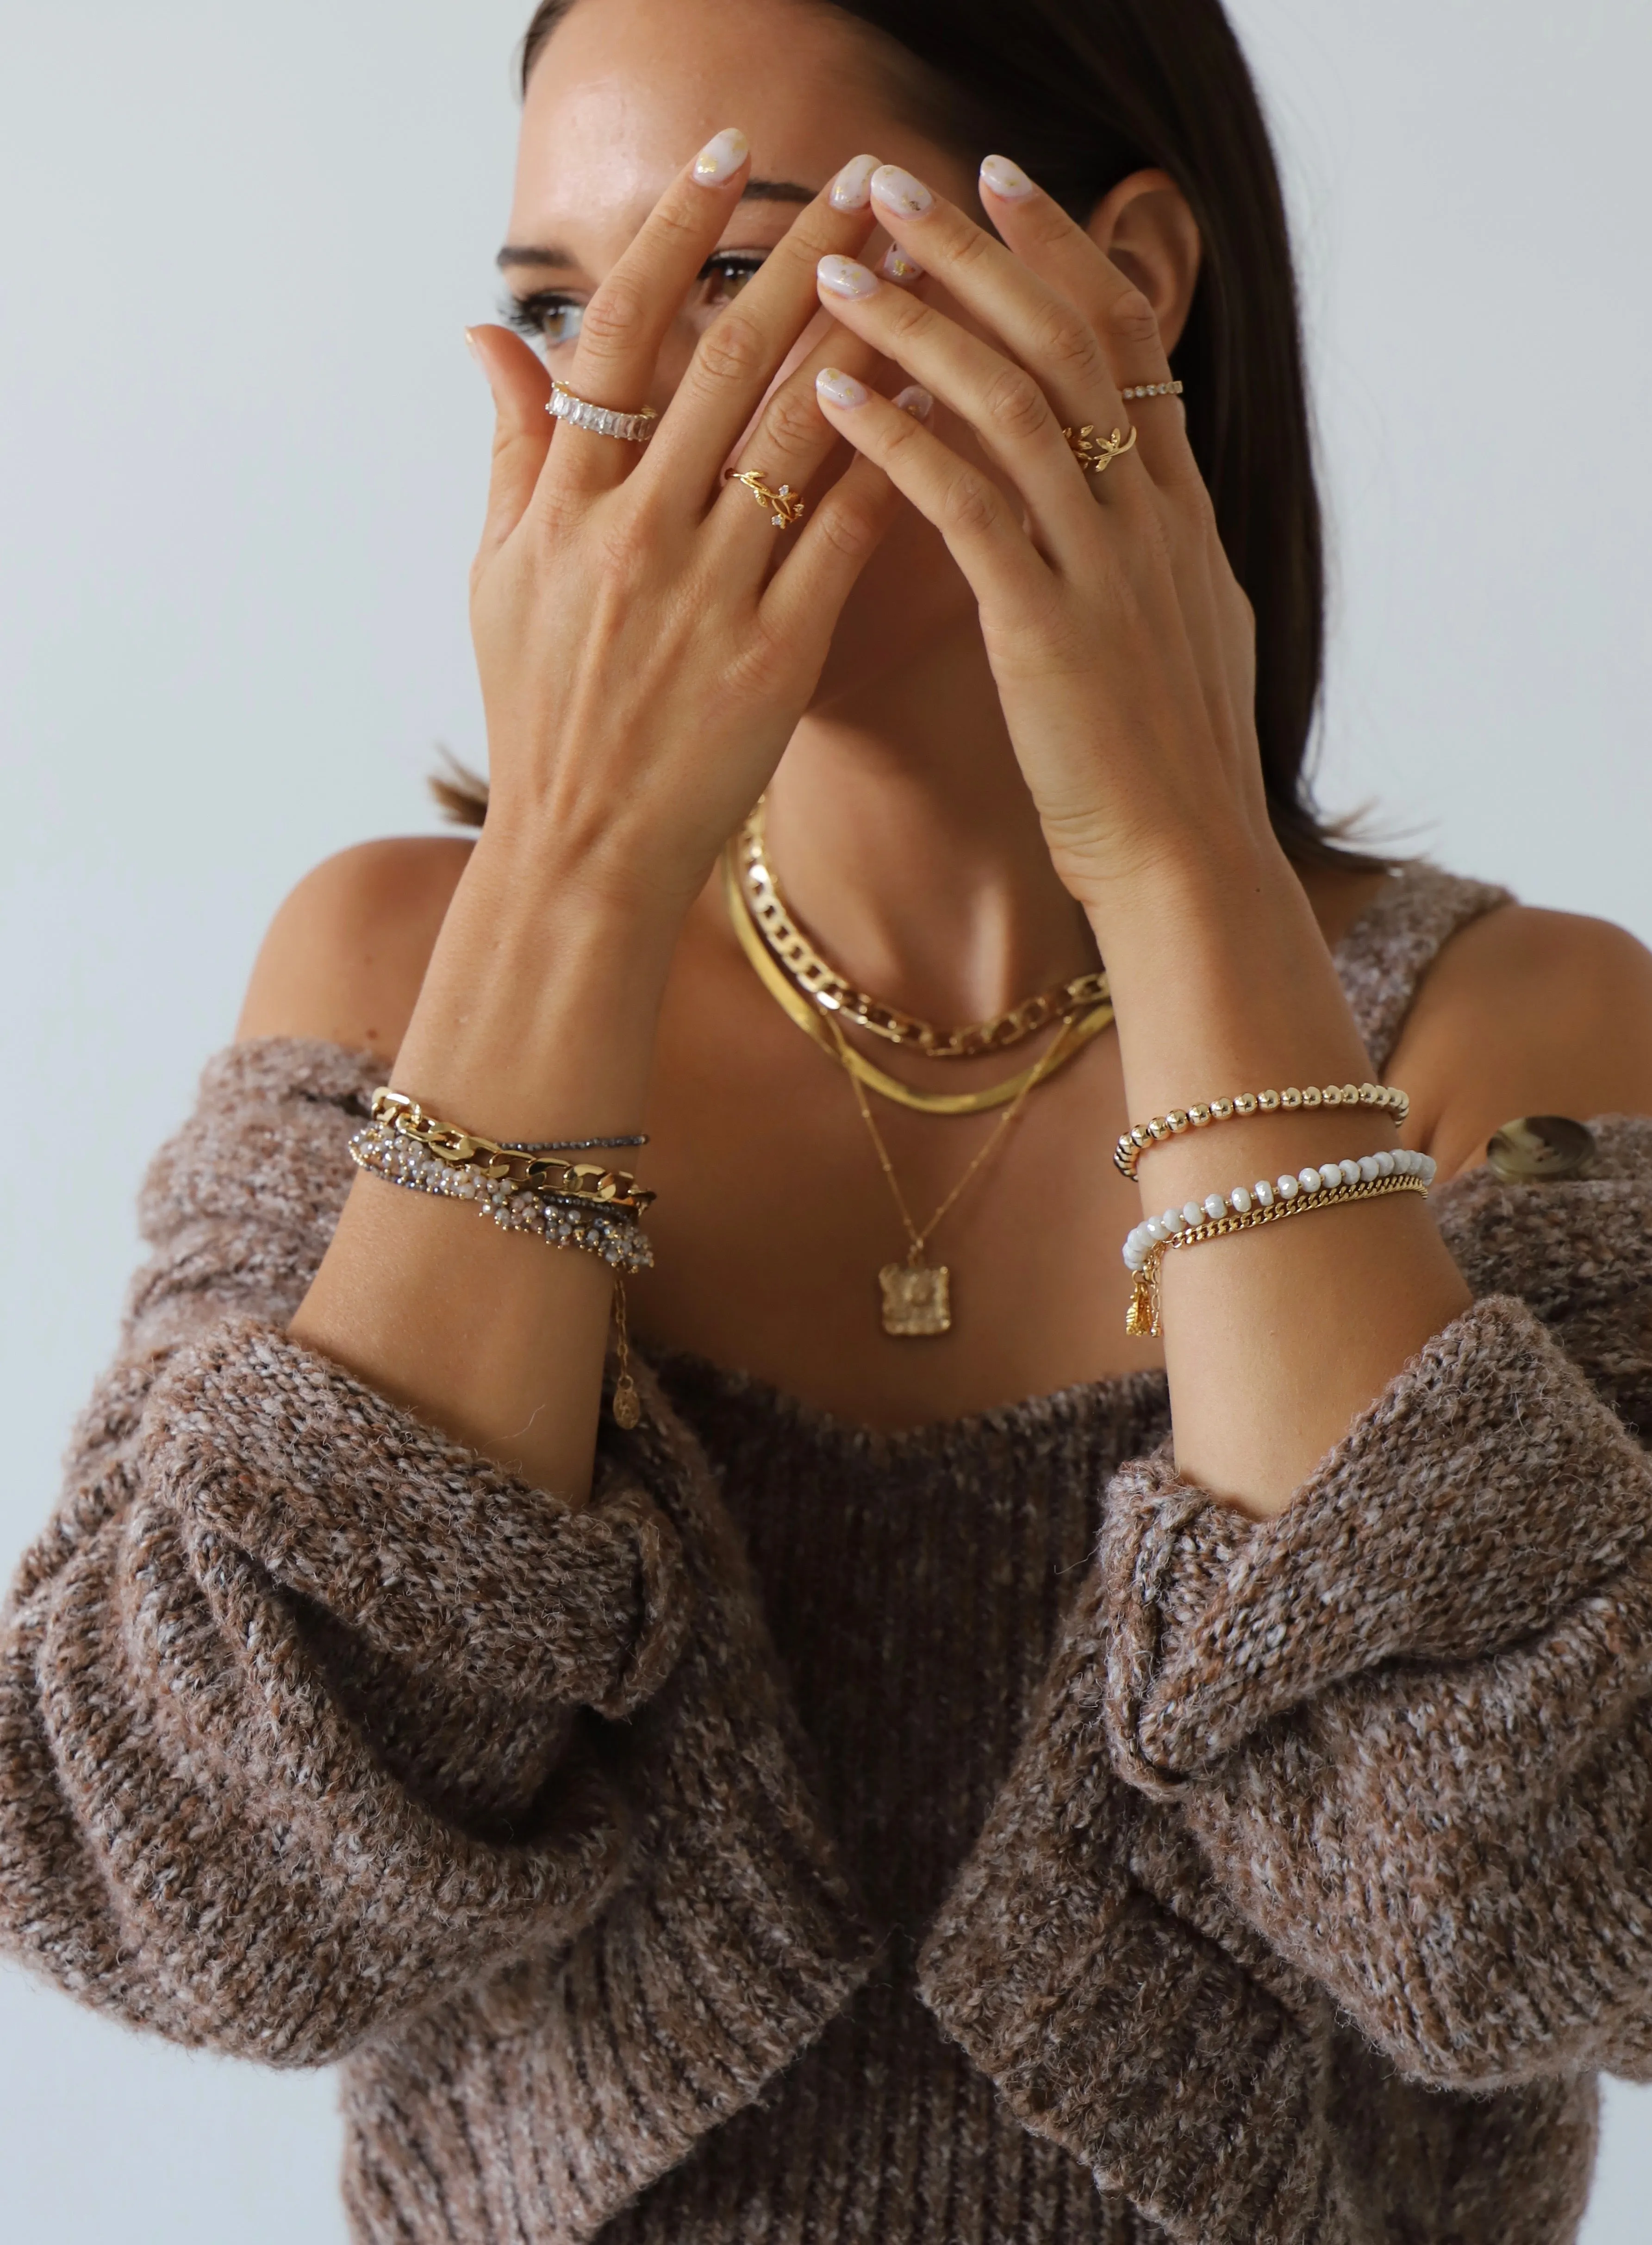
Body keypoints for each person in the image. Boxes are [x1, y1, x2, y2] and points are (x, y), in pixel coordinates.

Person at [5, 0, 1652, 2237]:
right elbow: (189, 1893)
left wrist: (1176, 863)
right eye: (557, 307)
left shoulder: (1528, 1038)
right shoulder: (393, 986)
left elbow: (1554, 1905)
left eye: (742, 269)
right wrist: (575, 872)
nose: (612, 405)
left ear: (1122, 283)